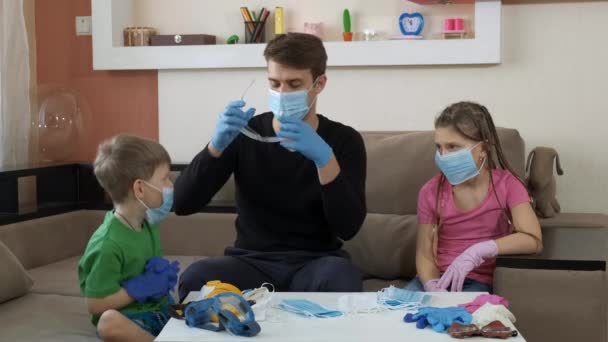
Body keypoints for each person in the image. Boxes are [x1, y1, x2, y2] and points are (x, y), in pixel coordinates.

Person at [175, 33, 367, 301]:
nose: (282, 93)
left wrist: (326, 161)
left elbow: (348, 228)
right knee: (196, 278)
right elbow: (182, 204)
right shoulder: (245, 133)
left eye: (294, 84)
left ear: (319, 84)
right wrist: (215, 148)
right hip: (251, 262)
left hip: (314, 263)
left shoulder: (345, 140)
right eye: (274, 83)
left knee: (341, 276)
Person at [407, 102, 543, 293]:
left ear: (484, 149)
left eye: (453, 147)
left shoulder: (508, 185)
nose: (443, 156)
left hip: (477, 281)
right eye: (439, 147)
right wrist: (431, 284)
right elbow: (424, 252)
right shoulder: (431, 191)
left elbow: (532, 240)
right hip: (437, 280)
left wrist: (479, 250)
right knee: (396, 316)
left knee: (460, 320)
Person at [78, 135, 179, 341]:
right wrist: (138, 288)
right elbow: (94, 305)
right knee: (108, 322)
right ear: (140, 189)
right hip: (131, 319)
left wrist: (160, 279)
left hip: (158, 312)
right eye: (165, 178)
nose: (171, 185)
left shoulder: (147, 224)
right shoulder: (108, 243)